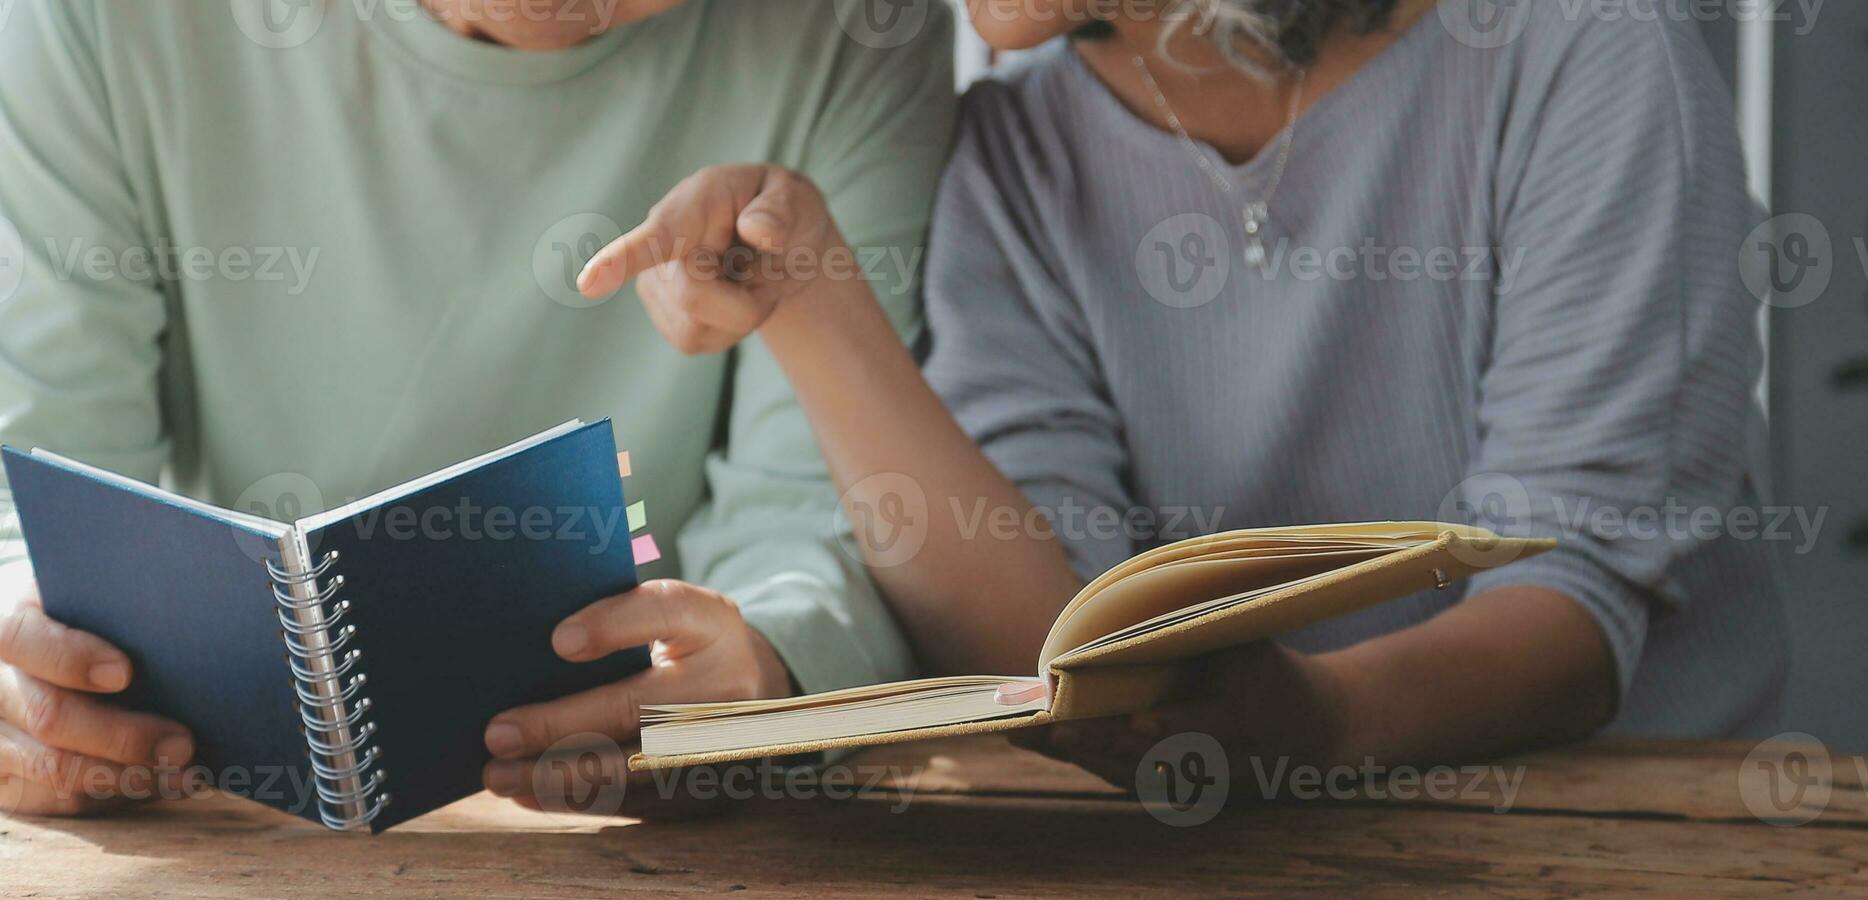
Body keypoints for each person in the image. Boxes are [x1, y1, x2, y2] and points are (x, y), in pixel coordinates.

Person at [578, 0, 1788, 788]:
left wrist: (1315, 719)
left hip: (1609, 849)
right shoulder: (1016, 152)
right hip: (1223, 867)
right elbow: (1050, 629)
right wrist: (810, 298)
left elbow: (1577, 600)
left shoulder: (1578, 53)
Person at [0, 0, 953, 815]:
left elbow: (831, 505)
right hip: (216, 820)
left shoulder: (852, 30)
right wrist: (10, 659)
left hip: (652, 855)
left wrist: (763, 665)